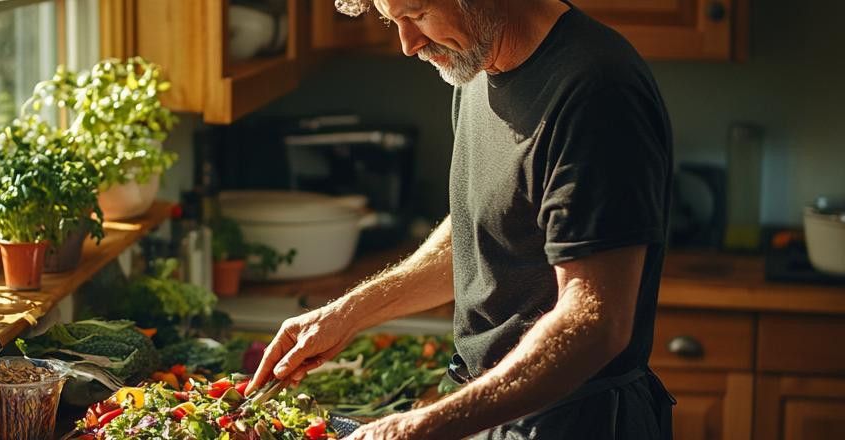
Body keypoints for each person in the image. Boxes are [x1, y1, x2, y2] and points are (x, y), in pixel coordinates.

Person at [248, 0, 675, 438]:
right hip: (497, 414)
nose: (408, 44)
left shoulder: (597, 91)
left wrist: (422, 426)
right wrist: (345, 315)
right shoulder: (474, 64)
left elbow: (595, 323)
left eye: (416, 14)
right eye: (391, 20)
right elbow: (479, 232)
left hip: (577, 423)